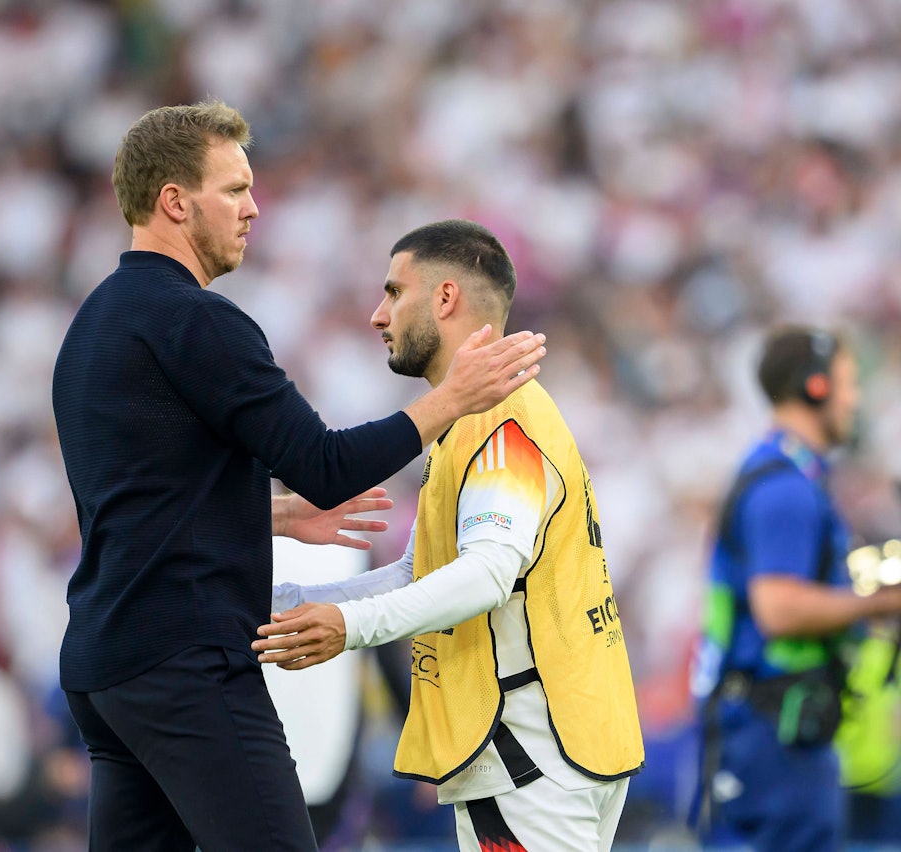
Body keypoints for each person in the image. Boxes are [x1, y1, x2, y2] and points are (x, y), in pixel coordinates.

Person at [50, 102, 547, 851]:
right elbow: (323, 464)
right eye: (235, 189)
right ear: (174, 202)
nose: (255, 209)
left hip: (106, 663)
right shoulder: (197, 321)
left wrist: (267, 513)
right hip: (189, 662)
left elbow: (134, 500)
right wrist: (452, 398)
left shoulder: (93, 324)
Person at [253, 219, 644, 852]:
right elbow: (421, 574)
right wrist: (287, 603)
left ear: (445, 299)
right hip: (557, 739)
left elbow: (488, 574)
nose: (379, 315)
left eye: (393, 292)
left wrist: (350, 628)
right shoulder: (467, 419)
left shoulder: (499, 417)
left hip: (527, 751)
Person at [687, 325, 901, 851]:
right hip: (775, 731)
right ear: (816, 386)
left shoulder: (785, 472)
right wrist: (885, 602)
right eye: (848, 383)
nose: (856, 398)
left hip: (773, 725)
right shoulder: (785, 488)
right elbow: (778, 608)